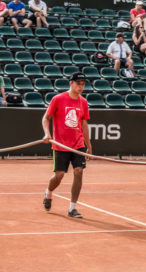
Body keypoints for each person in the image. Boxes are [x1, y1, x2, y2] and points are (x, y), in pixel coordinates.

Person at [41, 72, 92, 219]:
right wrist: (47, 134)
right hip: (60, 145)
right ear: (71, 83)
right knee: (59, 176)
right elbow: (46, 118)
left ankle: (72, 208)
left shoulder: (83, 102)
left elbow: (84, 124)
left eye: (83, 84)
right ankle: (48, 193)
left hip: (78, 144)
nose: (81, 87)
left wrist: (88, 145)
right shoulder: (58, 99)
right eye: (78, 84)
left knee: (79, 171)